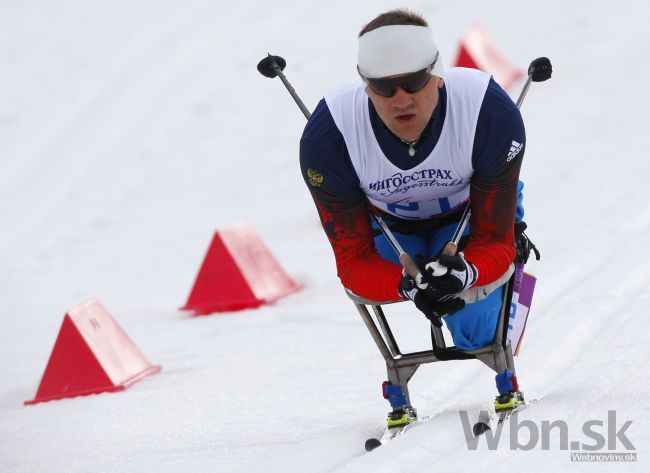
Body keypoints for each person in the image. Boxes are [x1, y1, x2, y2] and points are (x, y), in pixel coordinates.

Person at [299, 9, 526, 423]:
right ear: (365, 87)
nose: (401, 99)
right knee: (401, 286)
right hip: (389, 230)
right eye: (384, 88)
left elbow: (495, 241)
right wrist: (405, 285)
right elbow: (352, 264)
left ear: (437, 73)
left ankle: (513, 298)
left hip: (470, 216)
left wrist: (469, 273)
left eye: (415, 82)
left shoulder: (488, 111)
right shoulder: (328, 137)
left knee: (475, 329)